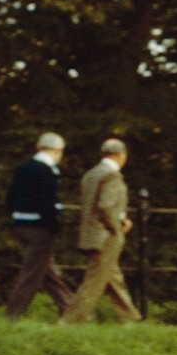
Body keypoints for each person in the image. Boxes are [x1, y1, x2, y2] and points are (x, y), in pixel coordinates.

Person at [60, 138, 141, 324]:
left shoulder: (91, 174)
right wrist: (117, 226)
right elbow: (105, 206)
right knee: (94, 281)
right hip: (106, 235)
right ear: (122, 156)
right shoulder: (112, 175)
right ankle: (69, 322)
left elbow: (95, 205)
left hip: (91, 233)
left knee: (112, 277)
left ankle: (130, 318)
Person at [3, 132, 75, 320]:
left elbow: (10, 199)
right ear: (58, 151)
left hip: (21, 224)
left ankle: (70, 308)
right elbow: (47, 204)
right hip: (39, 228)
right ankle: (13, 315)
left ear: (38, 147)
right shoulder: (47, 171)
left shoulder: (22, 168)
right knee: (32, 274)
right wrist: (54, 225)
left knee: (47, 271)